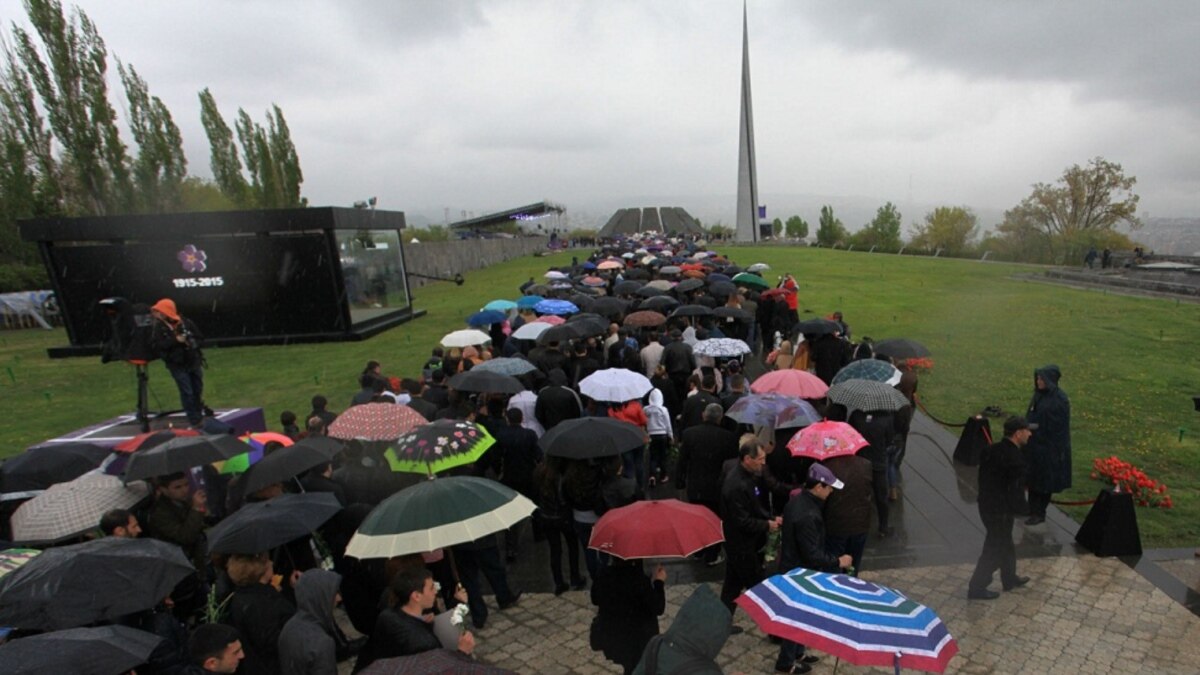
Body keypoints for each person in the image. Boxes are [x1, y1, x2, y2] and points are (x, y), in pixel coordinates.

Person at [775, 463, 853, 673]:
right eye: (828, 488)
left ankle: (798, 653)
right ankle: (786, 662)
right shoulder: (809, 514)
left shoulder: (797, 501)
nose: (831, 492)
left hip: (793, 566)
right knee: (797, 618)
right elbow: (813, 554)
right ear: (818, 487)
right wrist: (839, 562)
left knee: (802, 616)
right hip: (801, 573)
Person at [352, 569, 475, 672]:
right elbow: (440, 669)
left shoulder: (387, 614)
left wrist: (423, 624)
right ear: (416, 596)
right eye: (431, 588)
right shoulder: (425, 644)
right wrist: (462, 653)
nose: (435, 591)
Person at [968, 416, 1035, 600]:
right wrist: (1024, 510)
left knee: (1005, 543)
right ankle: (977, 586)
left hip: (986, 505)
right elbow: (1016, 490)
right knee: (994, 548)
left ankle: (1009, 577)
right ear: (1018, 433)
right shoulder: (1015, 459)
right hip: (1001, 510)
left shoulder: (990, 450)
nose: (1030, 434)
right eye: (1027, 430)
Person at [719, 436, 781, 617]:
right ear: (748, 459)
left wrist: (771, 518)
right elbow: (742, 520)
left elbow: (754, 506)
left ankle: (722, 621)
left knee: (732, 585)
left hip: (739, 543)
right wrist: (767, 524)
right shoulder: (736, 484)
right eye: (760, 460)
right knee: (759, 587)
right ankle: (774, 628)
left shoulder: (748, 476)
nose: (763, 464)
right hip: (741, 545)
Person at [676, 403, 738, 565]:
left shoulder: (689, 434)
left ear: (704, 415)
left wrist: (679, 481)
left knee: (696, 519)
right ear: (720, 418)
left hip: (695, 485)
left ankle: (698, 550)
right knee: (715, 520)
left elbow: (682, 461)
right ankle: (712, 553)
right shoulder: (729, 438)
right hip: (717, 487)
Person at [590, 560, 668, 674]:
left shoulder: (603, 575)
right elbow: (658, 607)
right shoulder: (639, 580)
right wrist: (658, 582)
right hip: (638, 640)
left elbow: (595, 599)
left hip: (612, 635)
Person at [224, 552, 296, 675]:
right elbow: (273, 641)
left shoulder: (243, 596)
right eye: (268, 561)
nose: (272, 563)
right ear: (259, 570)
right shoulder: (260, 603)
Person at [1025, 365, 1071, 525]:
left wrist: (1032, 428)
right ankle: (1031, 509)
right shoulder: (1039, 395)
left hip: (1049, 449)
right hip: (1035, 445)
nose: (1038, 381)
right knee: (1032, 478)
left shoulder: (1059, 400)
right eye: (1037, 378)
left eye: (1041, 379)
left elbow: (1055, 428)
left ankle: (1039, 512)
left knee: (1044, 482)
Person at [149, 298, 206, 427]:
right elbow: (159, 346)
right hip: (177, 364)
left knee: (197, 388)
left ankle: (198, 413)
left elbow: (200, 337)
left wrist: (191, 343)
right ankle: (194, 419)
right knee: (187, 391)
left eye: (160, 311)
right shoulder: (159, 328)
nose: (158, 314)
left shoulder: (185, 322)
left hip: (192, 360)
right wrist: (176, 341)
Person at [533, 457, 587, 595]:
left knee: (555, 550)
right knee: (572, 546)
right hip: (564, 517)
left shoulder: (540, 472)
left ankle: (559, 581)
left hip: (546, 516)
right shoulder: (563, 476)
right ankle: (575, 577)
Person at [278, 569, 343, 675]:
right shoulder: (323, 643)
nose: (338, 598)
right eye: (333, 593)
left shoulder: (288, 628)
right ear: (319, 596)